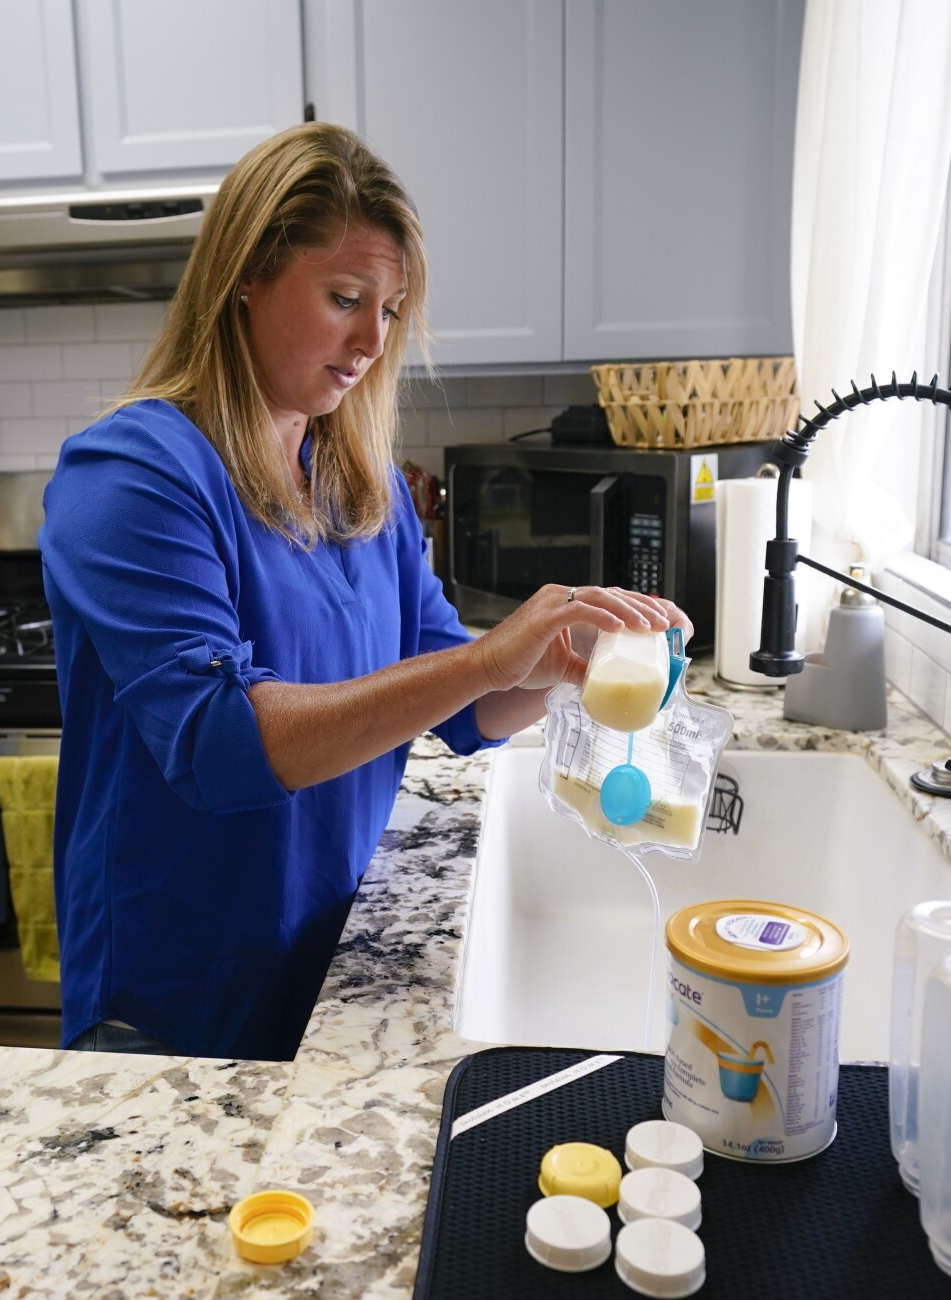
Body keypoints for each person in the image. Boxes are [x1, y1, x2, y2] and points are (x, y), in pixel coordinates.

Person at [39, 123, 688, 1061]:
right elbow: (217, 746)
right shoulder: (135, 472)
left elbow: (459, 702)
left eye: (390, 312)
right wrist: (484, 656)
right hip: (176, 999)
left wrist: (559, 665)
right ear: (247, 276)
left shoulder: (360, 484)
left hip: (326, 960)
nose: (369, 342)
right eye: (345, 298)